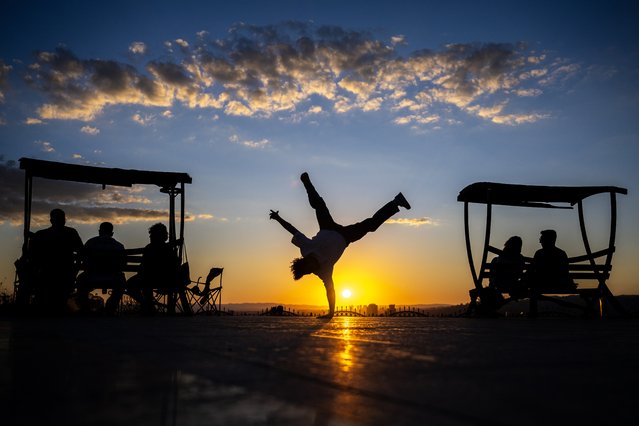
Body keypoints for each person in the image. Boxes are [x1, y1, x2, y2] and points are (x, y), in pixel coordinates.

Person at [270, 172, 411, 318]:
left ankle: (307, 183)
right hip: (345, 236)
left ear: (305, 261)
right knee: (371, 225)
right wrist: (331, 313)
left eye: (308, 267)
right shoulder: (323, 271)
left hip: (327, 226)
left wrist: (277, 218)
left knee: (319, 205)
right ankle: (396, 202)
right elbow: (331, 291)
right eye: (309, 272)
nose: (312, 269)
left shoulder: (306, 248)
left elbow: (292, 229)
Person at [29, 208, 84, 313]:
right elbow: (81, 251)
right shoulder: (71, 233)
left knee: (46, 286)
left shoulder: (41, 234)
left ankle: (47, 306)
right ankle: (58, 306)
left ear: (51, 221)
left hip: (46, 271)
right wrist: (75, 269)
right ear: (64, 220)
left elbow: (32, 254)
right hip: (65, 270)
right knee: (60, 287)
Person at [128, 223, 189, 314]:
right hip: (168, 280)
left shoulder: (149, 248)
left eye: (151, 235)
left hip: (149, 279)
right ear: (165, 236)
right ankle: (148, 305)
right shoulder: (169, 249)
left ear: (154, 236)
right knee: (146, 280)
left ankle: (147, 304)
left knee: (131, 284)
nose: (150, 237)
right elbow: (175, 265)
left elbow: (143, 267)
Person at [76, 222, 126, 314]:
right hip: (113, 278)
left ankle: (85, 308)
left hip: (90, 277)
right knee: (122, 279)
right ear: (112, 233)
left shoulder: (90, 243)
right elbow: (122, 265)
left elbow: (84, 261)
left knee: (80, 279)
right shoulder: (118, 246)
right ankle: (110, 308)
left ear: (99, 231)